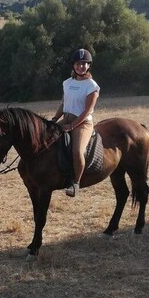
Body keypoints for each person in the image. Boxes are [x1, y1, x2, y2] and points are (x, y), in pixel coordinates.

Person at [51, 48, 100, 197]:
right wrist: (53, 120)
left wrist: (72, 126)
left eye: (84, 64)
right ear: (73, 65)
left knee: (77, 151)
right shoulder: (67, 83)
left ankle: (75, 183)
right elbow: (63, 104)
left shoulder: (92, 86)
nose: (81, 66)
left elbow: (87, 111)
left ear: (89, 65)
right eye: (79, 63)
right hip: (66, 118)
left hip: (83, 123)